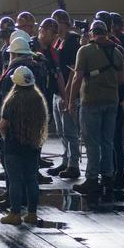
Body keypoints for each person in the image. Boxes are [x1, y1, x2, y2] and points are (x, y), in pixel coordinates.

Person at [66, 19, 124, 197]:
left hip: (91, 101)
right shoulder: (117, 52)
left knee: (92, 142)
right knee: (107, 141)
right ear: (106, 33)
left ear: (92, 33)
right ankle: (107, 177)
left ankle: (92, 179)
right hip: (111, 102)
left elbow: (77, 78)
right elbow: (121, 79)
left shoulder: (84, 51)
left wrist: (70, 101)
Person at [0, 66, 48, 226]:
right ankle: (32, 213)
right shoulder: (38, 99)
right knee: (31, 179)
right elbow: (44, 121)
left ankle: (15, 213)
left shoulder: (12, 100)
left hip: (13, 146)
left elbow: (3, 124)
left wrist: (6, 138)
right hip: (33, 145)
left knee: (15, 181)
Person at [34, 19, 66, 175]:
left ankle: (37, 159)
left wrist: (65, 97)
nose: (54, 38)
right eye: (53, 34)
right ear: (43, 31)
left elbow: (58, 74)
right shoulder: (30, 46)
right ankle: (33, 168)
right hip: (31, 99)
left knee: (41, 131)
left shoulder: (52, 52)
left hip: (46, 98)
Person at [52, 11, 82, 180]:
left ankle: (74, 164)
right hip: (57, 92)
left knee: (70, 131)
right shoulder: (58, 42)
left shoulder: (71, 43)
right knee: (61, 131)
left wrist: (68, 94)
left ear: (65, 23)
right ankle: (65, 160)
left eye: (57, 22)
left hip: (67, 93)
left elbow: (73, 71)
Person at [107, 12, 124, 191]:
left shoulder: (118, 47)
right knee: (114, 139)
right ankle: (115, 172)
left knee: (111, 139)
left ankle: (114, 174)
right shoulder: (121, 46)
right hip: (116, 97)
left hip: (111, 99)